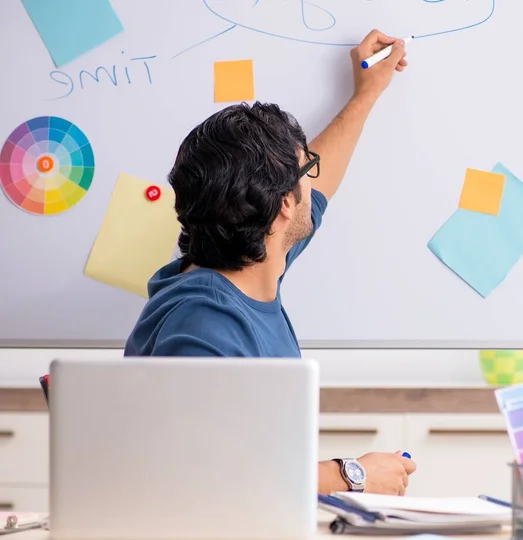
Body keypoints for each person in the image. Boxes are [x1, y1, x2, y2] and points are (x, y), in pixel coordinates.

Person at [125, 30, 416, 495]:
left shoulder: (251, 260)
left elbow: (319, 184)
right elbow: (206, 475)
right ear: (283, 206)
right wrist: (352, 475)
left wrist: (367, 92)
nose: (313, 177)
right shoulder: (204, 324)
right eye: (304, 170)